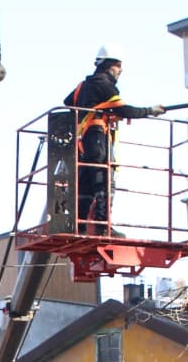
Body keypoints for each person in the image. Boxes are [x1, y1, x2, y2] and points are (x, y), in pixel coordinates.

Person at [63, 43, 165, 235]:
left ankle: (79, 226)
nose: (120, 70)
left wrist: (97, 109)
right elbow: (125, 110)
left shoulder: (83, 86)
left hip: (83, 141)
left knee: (86, 182)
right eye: (118, 66)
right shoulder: (103, 84)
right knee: (103, 181)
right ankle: (103, 227)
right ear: (109, 65)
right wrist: (150, 111)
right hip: (97, 139)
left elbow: (68, 102)